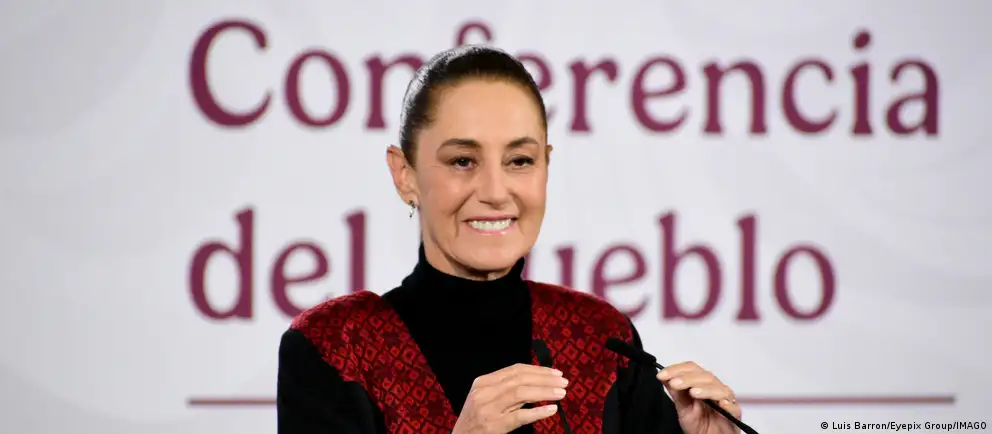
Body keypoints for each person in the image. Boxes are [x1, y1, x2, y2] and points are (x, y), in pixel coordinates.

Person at [276, 45, 744, 434]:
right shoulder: (336, 346)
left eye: (520, 160)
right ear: (405, 174)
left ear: (546, 166)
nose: (496, 192)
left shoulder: (601, 338)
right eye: (462, 161)